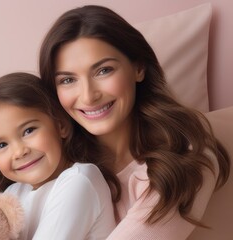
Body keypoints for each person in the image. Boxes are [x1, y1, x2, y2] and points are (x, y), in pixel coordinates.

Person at [38, 5, 231, 239]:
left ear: (138, 68)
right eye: (68, 80)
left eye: (103, 70)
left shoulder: (185, 158)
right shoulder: (47, 153)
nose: (88, 96)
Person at [0, 72, 117, 240]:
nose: (19, 151)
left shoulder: (80, 179)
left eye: (28, 131)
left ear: (60, 125)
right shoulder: (13, 194)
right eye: (1, 145)